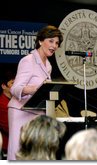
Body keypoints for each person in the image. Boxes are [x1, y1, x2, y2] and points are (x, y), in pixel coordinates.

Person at [7, 25, 63, 160]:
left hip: (37, 112)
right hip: (20, 111)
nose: (54, 46)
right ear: (40, 41)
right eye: (51, 41)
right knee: (18, 152)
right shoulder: (28, 60)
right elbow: (15, 89)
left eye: (56, 43)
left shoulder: (48, 65)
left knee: (34, 154)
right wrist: (34, 89)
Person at [0, 71, 15, 158]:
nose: (16, 85)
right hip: (7, 149)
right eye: (12, 83)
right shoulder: (1, 103)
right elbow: (8, 128)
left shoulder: (14, 100)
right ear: (3, 86)